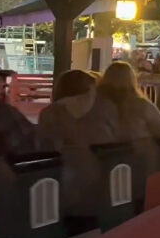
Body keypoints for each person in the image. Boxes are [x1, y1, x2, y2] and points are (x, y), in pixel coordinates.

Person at [37, 70, 115, 229]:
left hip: (62, 193)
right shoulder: (104, 110)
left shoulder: (50, 114)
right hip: (98, 190)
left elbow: (45, 148)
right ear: (87, 91)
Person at [96, 62, 160, 142]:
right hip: (138, 149)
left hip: (102, 149)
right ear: (132, 80)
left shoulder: (95, 104)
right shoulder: (142, 105)